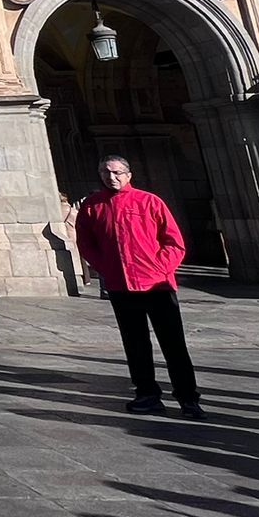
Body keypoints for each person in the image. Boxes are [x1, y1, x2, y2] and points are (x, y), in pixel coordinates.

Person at [72, 155, 203, 419]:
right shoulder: (92, 206)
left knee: (173, 343)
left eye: (118, 172)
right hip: (121, 285)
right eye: (106, 172)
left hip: (157, 285)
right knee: (135, 343)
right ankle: (146, 393)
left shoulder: (149, 201)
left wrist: (160, 269)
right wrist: (105, 268)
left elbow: (174, 242)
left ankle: (188, 397)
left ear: (129, 174)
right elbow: (86, 243)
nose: (112, 177)